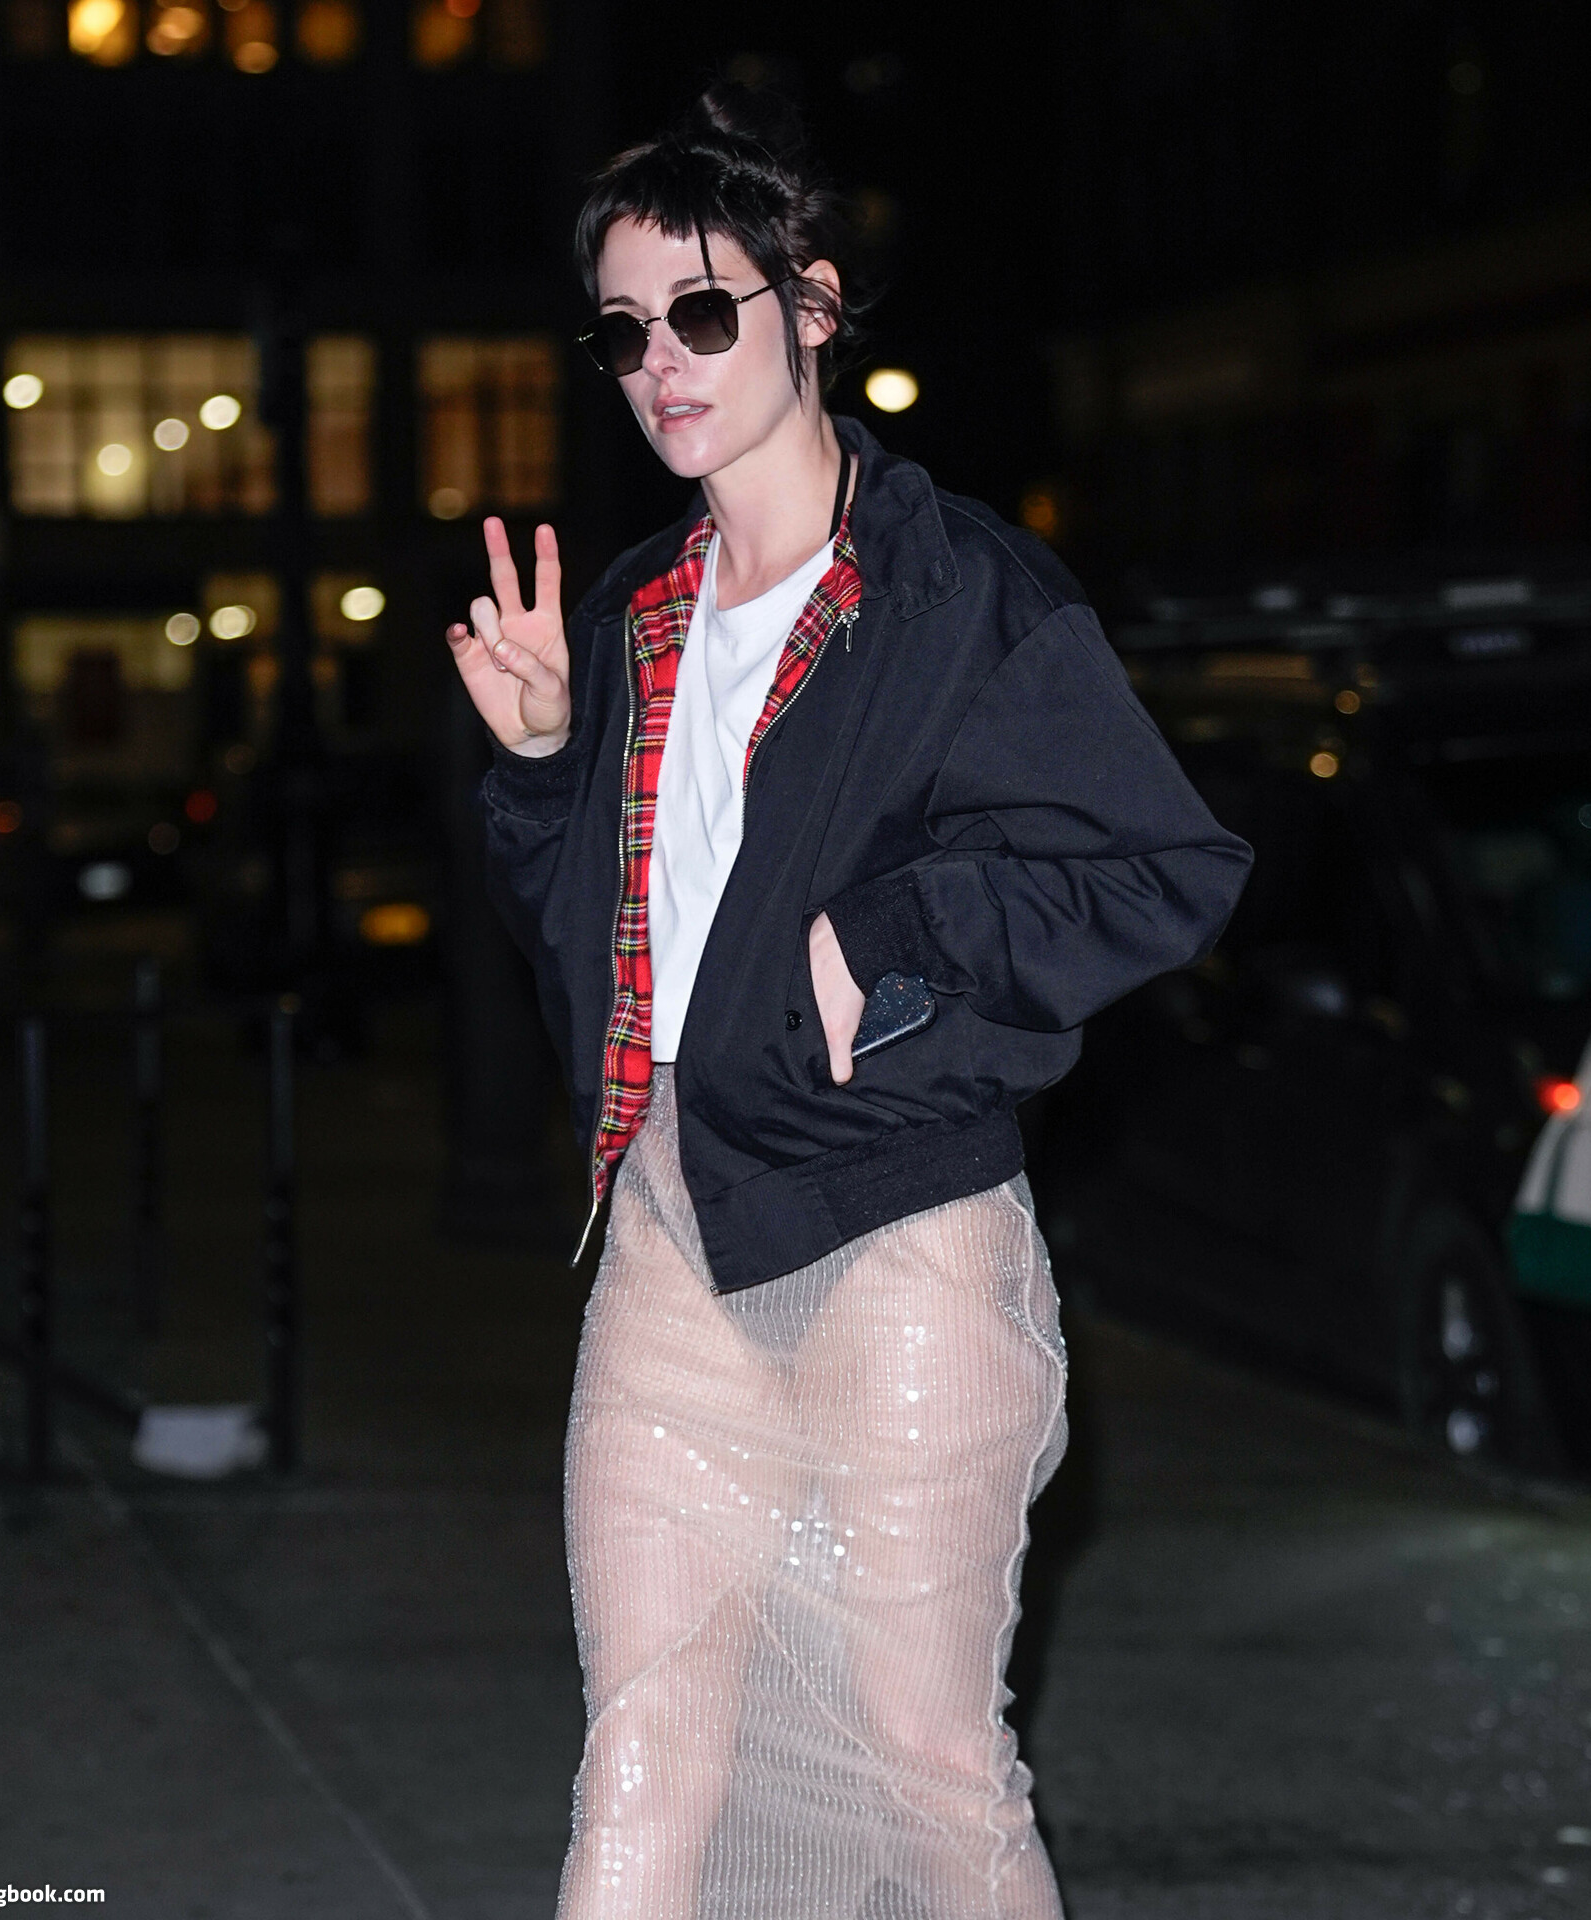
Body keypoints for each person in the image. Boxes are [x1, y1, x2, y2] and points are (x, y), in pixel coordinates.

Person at [447, 86, 1251, 1920]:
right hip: (672, 1231)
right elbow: (592, 952)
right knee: (639, 1758)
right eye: (623, 332)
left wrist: (888, 937)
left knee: (930, 1760)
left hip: (904, 1241)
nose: (661, 363)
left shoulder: (956, 590)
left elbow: (1164, 869)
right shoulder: (634, 613)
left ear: (809, 305)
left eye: (701, 310)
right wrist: (548, 762)